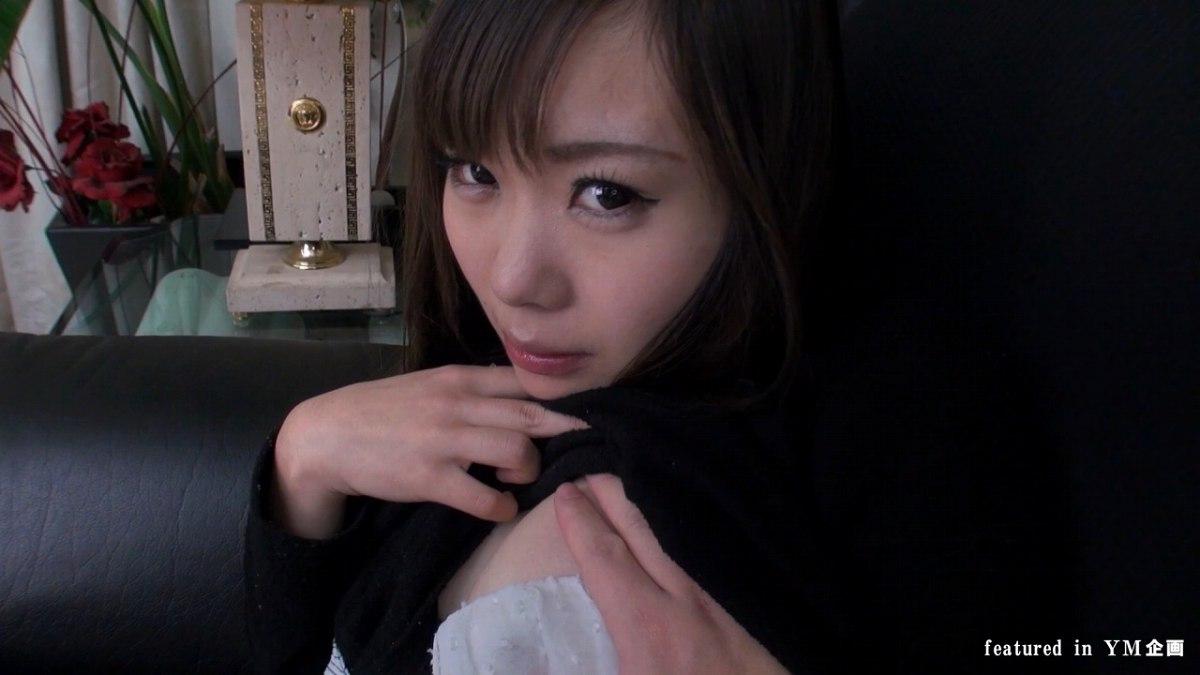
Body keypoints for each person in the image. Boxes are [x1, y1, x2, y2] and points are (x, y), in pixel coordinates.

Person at [243, 0, 840, 672]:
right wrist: (304, 461)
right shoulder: (484, 411)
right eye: (475, 172)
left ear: (765, 182)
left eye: (607, 194)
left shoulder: (587, 585)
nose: (512, 279)